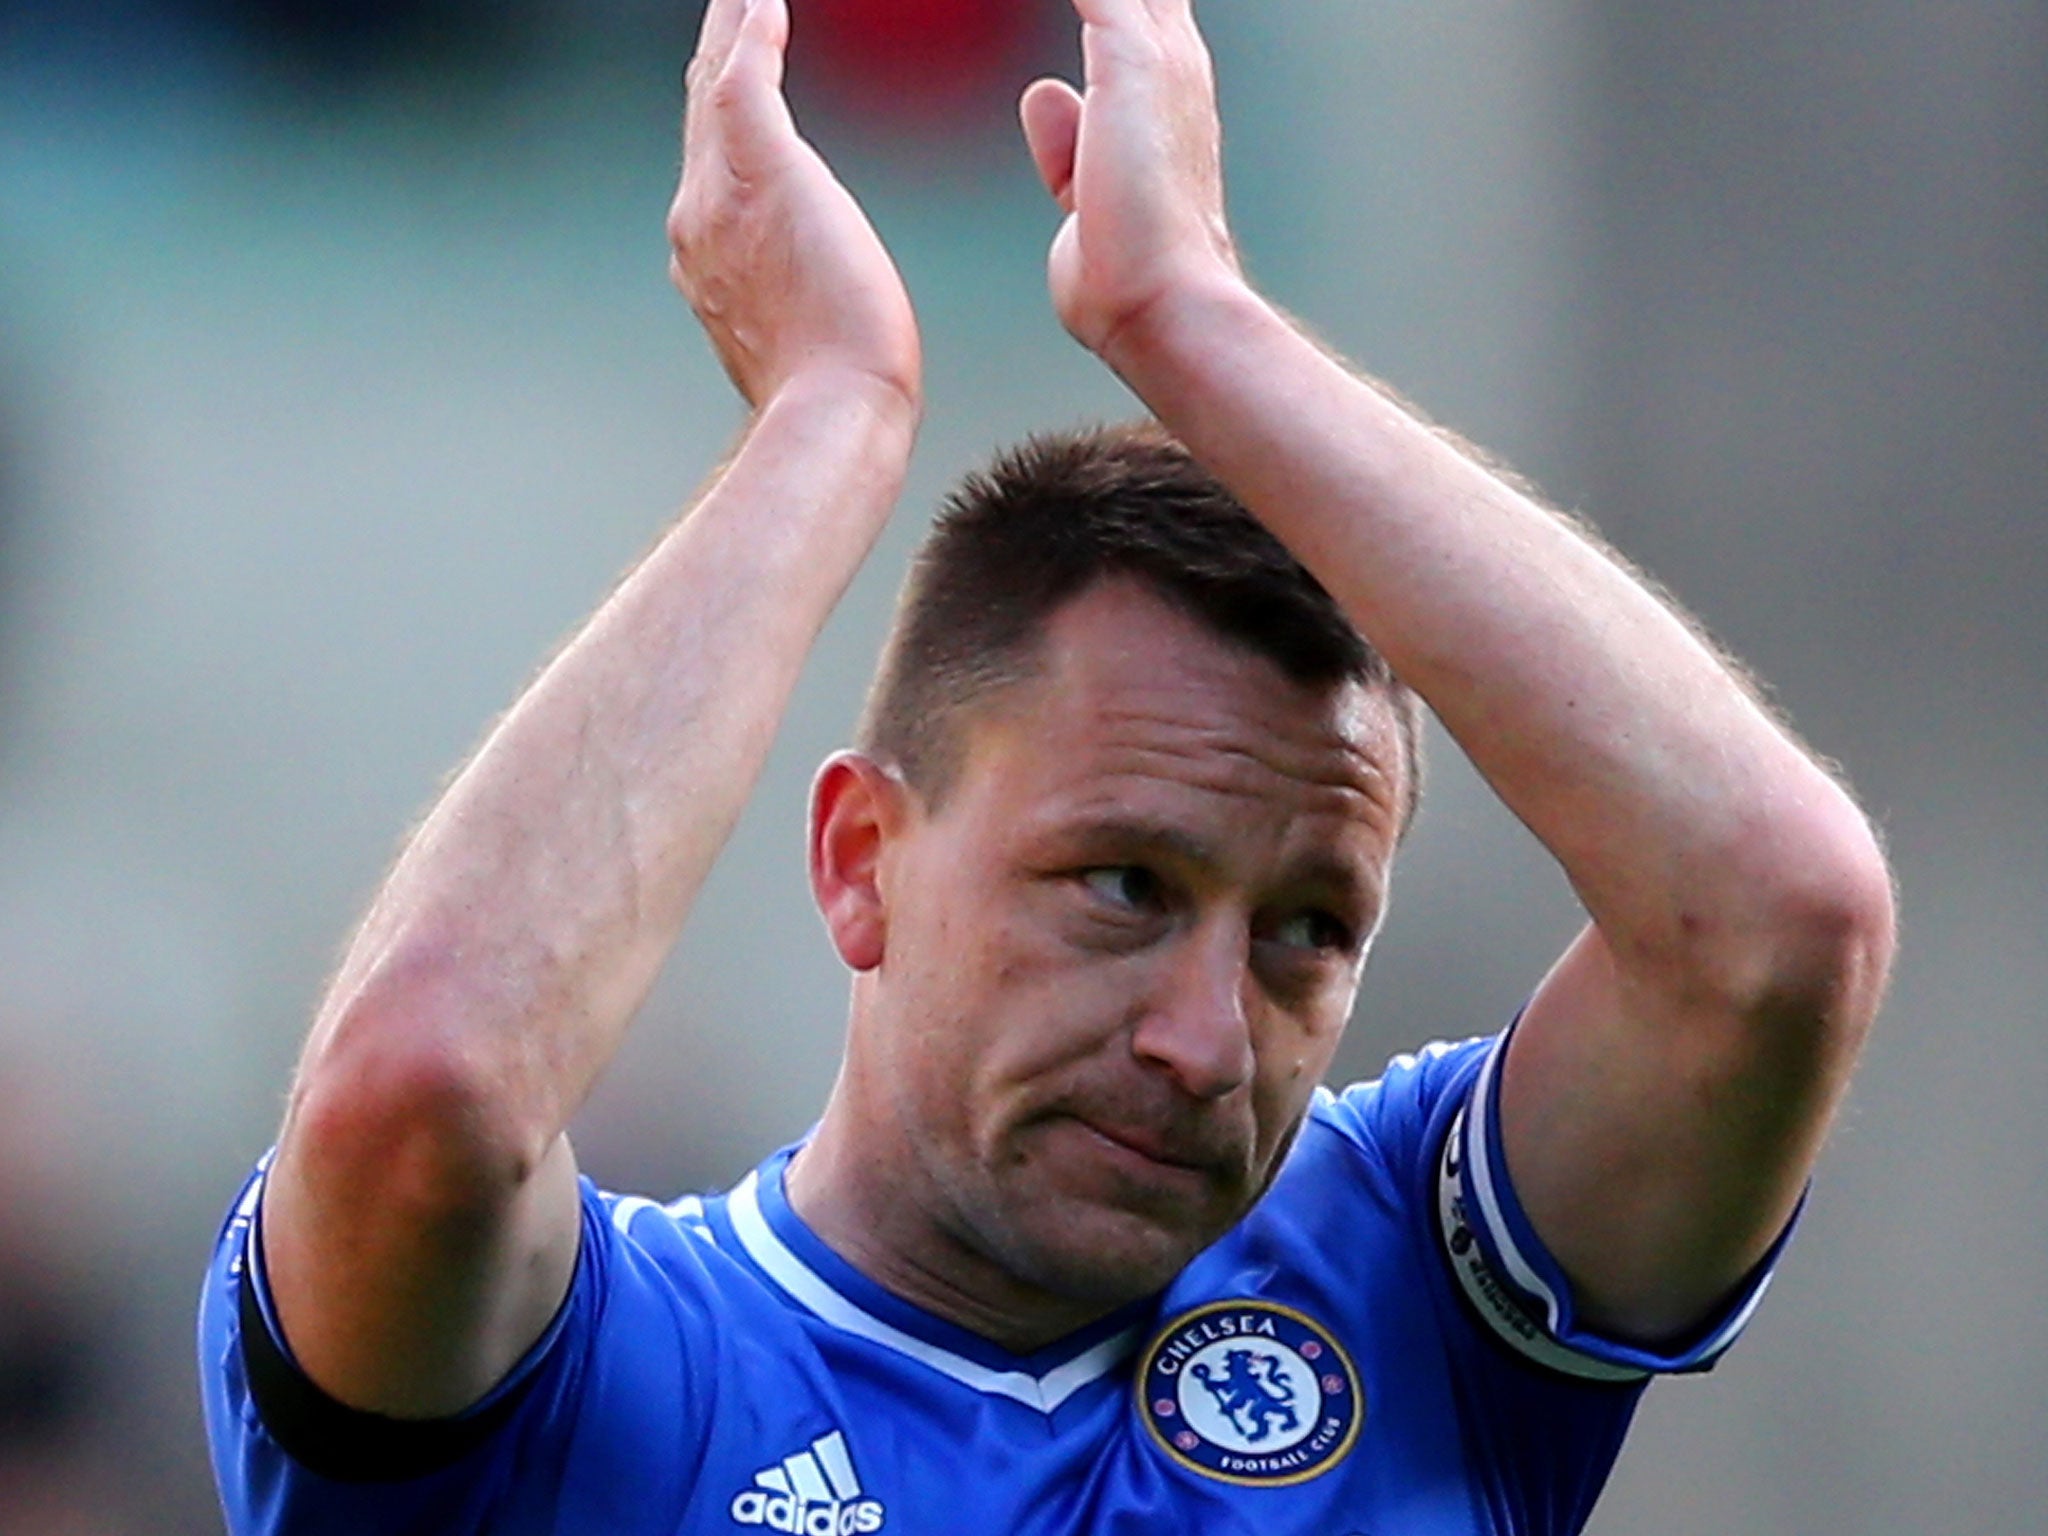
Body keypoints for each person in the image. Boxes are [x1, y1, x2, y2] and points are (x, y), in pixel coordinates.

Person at [197, 0, 1897, 1530]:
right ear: (862, 860)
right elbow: (422, 1100)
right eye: (1124, 886)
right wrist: (830, 413)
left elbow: (1777, 923)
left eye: (1307, 930)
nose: (1204, 1039)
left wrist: (1196, 324)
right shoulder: (605, 1385)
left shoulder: (1407, 1289)